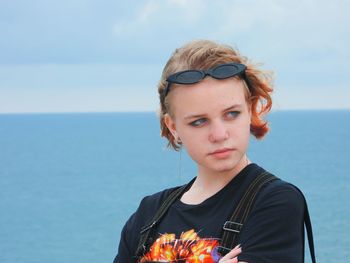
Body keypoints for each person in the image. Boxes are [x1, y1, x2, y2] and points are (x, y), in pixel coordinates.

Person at [113, 40, 314, 263]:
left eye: (232, 114)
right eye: (199, 121)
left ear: (250, 110)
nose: (219, 134)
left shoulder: (275, 202)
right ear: (173, 127)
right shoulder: (149, 213)